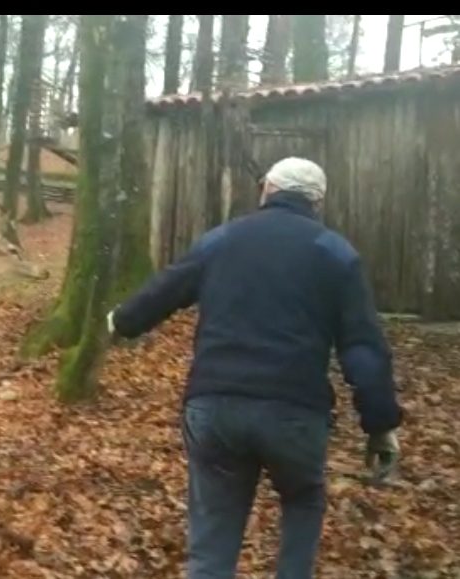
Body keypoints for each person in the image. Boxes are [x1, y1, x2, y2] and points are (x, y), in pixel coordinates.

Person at [106, 157, 404, 579]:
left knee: (212, 539)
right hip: (295, 414)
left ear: (266, 189)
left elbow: (169, 286)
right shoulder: (335, 253)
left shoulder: (223, 239)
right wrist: (380, 423)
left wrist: (121, 321)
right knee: (303, 500)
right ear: (317, 202)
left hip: (215, 407)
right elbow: (362, 347)